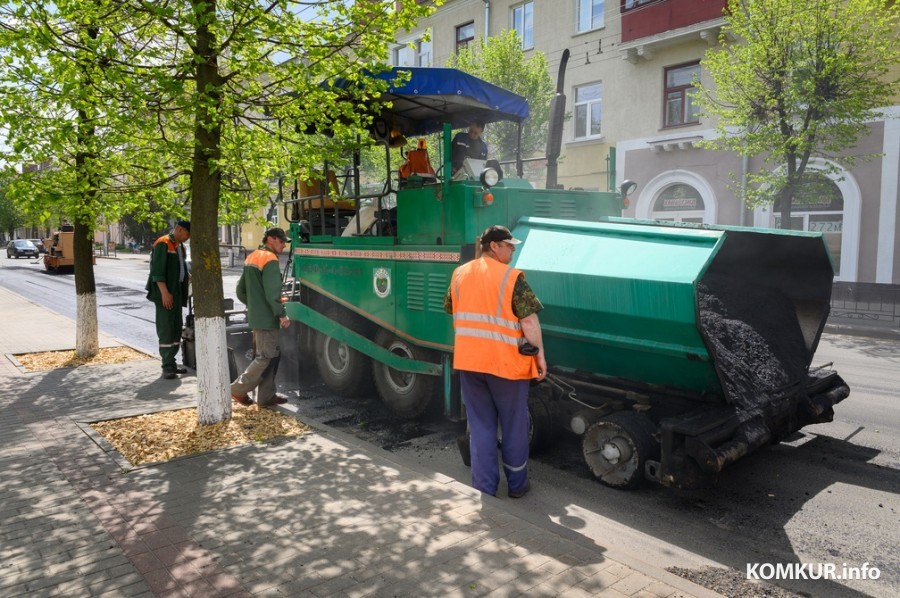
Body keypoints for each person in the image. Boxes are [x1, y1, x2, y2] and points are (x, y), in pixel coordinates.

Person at [444, 225, 547, 498]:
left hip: (469, 363)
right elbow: (529, 321)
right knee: (514, 425)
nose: (513, 249)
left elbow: (451, 308)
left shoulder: (459, 274)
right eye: (508, 245)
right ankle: (517, 485)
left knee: (481, 426)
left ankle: (485, 487)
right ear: (492, 246)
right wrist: (539, 356)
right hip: (506, 366)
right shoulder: (512, 278)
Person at [231, 227, 292, 407]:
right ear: (271, 239)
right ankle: (237, 389)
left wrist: (254, 305)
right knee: (265, 358)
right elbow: (273, 293)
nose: (283, 246)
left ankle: (266, 397)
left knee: (270, 356)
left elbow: (240, 290)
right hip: (268, 319)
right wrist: (281, 314)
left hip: (257, 317)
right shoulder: (270, 259)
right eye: (281, 242)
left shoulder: (252, 257)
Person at [145, 219, 191, 379]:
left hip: (176, 292)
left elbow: (180, 268)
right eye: (187, 234)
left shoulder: (180, 246)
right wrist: (165, 293)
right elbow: (157, 272)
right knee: (166, 328)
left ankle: (171, 362)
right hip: (166, 293)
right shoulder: (163, 243)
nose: (188, 238)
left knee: (176, 327)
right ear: (179, 230)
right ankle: (166, 365)